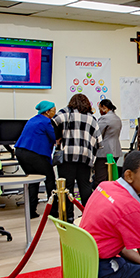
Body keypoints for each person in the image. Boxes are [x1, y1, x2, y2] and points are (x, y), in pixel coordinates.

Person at [53, 93, 102, 223]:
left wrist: (60, 138)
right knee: (85, 186)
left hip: (67, 157)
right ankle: (87, 214)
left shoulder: (64, 113)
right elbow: (99, 142)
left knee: (66, 189)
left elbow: (53, 124)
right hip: (85, 157)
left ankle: (68, 217)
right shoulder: (92, 118)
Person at [15, 101, 57, 219]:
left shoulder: (32, 119)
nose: (55, 112)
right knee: (50, 180)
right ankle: (53, 211)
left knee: (33, 181)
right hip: (34, 153)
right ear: (47, 111)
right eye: (54, 109)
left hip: (20, 152)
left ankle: (31, 211)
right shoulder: (46, 121)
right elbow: (54, 137)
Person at [93, 99, 122, 188]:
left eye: (100, 109)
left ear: (104, 107)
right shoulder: (117, 118)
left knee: (101, 178)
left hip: (104, 152)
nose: (100, 112)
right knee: (111, 177)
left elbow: (97, 134)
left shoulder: (104, 118)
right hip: (116, 151)